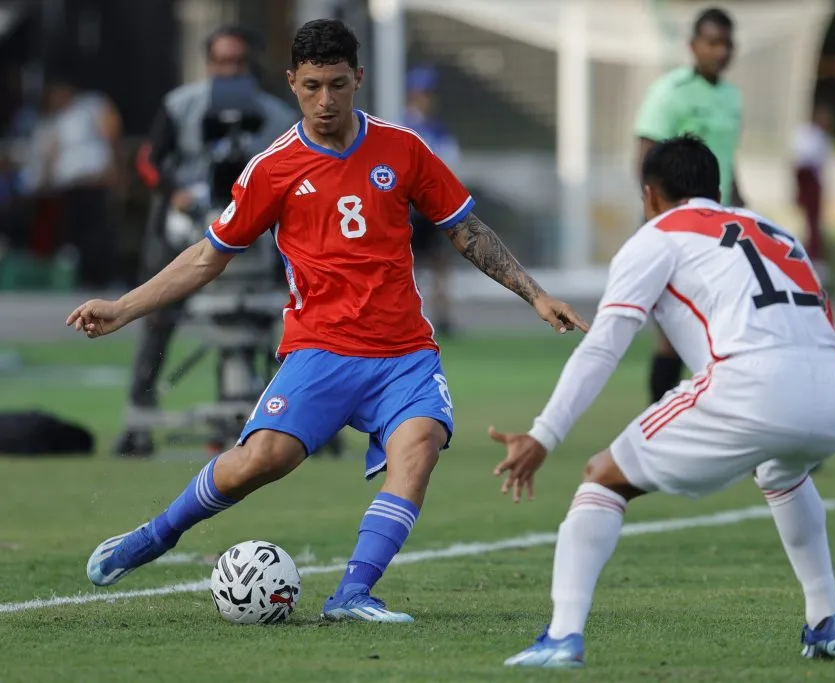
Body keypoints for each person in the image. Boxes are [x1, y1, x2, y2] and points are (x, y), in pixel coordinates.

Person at [69, 19, 587, 623]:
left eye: (337, 85)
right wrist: (123, 308)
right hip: (320, 349)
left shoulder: (403, 148)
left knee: (419, 446)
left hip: (404, 354)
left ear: (358, 79)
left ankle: (352, 594)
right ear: (292, 82)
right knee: (262, 460)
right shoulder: (273, 168)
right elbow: (209, 255)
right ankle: (156, 534)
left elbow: (465, 230)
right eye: (312, 86)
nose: (325, 100)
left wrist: (535, 295)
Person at [489, 135, 835, 668]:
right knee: (782, 472)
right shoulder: (779, 235)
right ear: (718, 188)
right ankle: (828, 619)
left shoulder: (656, 236)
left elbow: (603, 346)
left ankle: (562, 636)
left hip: (752, 385)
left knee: (602, 477)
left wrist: (545, 434)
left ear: (650, 194)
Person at [114, 25, 299, 457]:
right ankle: (139, 415)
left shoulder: (275, 116)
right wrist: (176, 193)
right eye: (222, 61)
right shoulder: (181, 105)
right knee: (157, 315)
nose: (230, 70)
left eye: (238, 61)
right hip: (186, 227)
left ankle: (251, 421)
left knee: (253, 319)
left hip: (252, 235)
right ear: (208, 63)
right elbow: (149, 160)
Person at [633, 7, 744, 406]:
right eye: (712, 42)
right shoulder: (669, 92)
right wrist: (658, 220)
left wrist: (743, 207)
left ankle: (714, 416)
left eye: (726, 43)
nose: (720, 51)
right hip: (678, 226)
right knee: (672, 335)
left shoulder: (731, 97)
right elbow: (646, 157)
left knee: (719, 330)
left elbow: (727, 161)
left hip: (721, 226)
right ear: (693, 45)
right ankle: (658, 423)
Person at [18, 70, 123, 288]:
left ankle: (105, 276)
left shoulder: (92, 104)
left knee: (99, 230)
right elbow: (52, 149)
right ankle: (85, 277)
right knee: (76, 232)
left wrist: (114, 166)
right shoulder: (57, 117)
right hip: (69, 184)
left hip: (94, 179)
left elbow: (111, 131)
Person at [404, 65, 461, 336]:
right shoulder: (403, 126)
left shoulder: (437, 129)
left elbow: (450, 163)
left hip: (433, 207)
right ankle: (407, 317)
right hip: (411, 208)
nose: (429, 98)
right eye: (424, 92)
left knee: (441, 264)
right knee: (407, 264)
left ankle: (443, 318)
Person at [792, 102, 834, 285]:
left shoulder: (823, 138)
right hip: (806, 181)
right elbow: (800, 162)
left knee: (815, 226)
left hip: (814, 183)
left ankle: (817, 263)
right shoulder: (804, 134)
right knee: (807, 225)